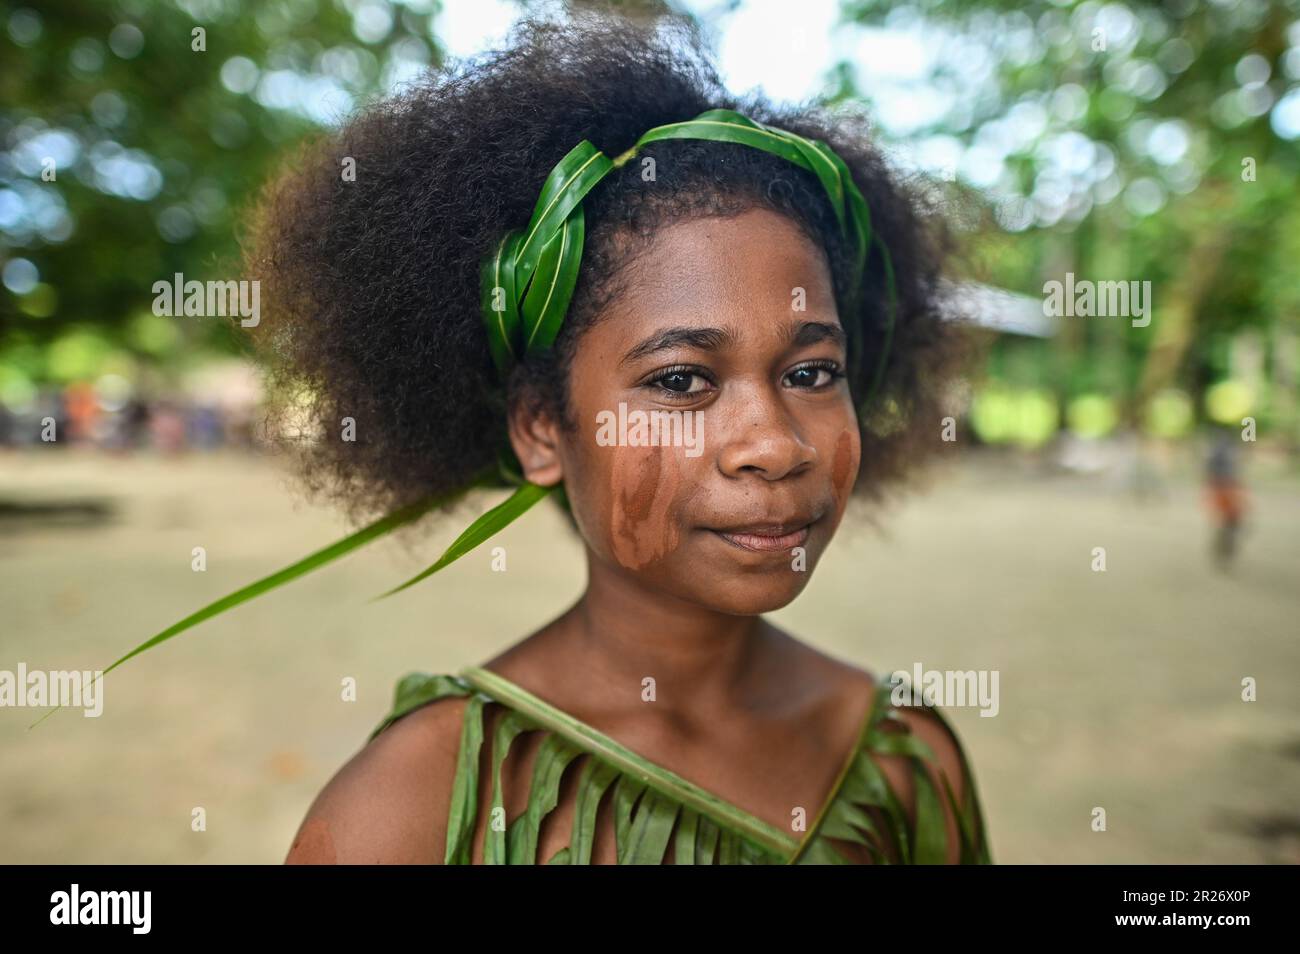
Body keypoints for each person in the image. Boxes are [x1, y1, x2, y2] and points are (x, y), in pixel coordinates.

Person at [234, 13, 989, 864]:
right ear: (541, 428)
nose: (774, 446)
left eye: (812, 373)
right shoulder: (412, 809)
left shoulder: (900, 759)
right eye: (679, 381)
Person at [1205, 426, 1247, 569]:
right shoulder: (1222, 450)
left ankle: (1224, 545)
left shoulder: (1224, 449)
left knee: (1232, 520)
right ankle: (1223, 547)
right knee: (1230, 520)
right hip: (1224, 487)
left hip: (1229, 487)